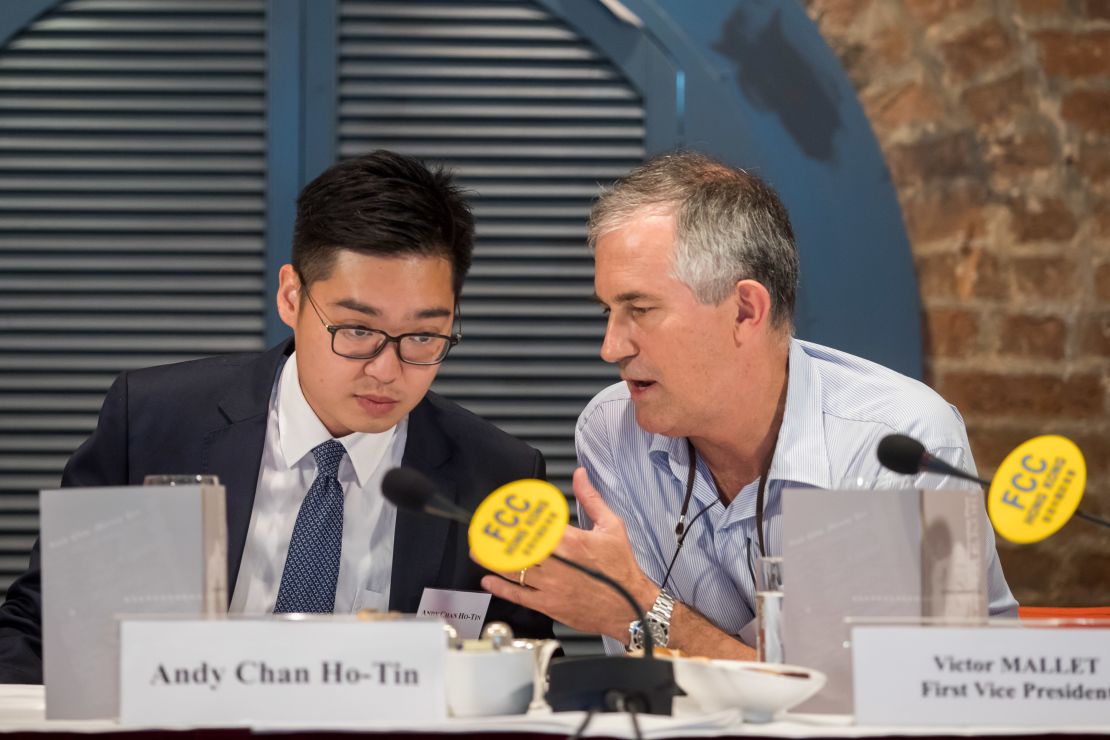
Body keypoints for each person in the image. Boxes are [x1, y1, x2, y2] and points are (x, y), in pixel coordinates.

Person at [0, 150, 551, 683]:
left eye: (424, 336)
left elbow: (513, 671)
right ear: (292, 297)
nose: (387, 369)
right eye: (357, 330)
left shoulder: (495, 476)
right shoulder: (153, 424)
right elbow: (45, 628)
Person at [481, 151, 1017, 658]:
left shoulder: (895, 443)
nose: (610, 348)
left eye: (639, 309)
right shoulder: (613, 431)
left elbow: (876, 708)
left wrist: (640, 611)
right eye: (607, 311)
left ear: (744, 311)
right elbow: (656, 681)